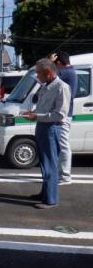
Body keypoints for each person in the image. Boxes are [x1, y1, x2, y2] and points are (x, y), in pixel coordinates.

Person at [23, 58, 71, 209]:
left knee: (50, 164)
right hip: (43, 126)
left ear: (49, 73)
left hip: (52, 128)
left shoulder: (61, 87)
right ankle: (45, 193)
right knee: (44, 163)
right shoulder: (46, 86)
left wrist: (37, 116)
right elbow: (42, 108)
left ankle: (51, 199)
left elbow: (60, 114)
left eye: (39, 73)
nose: (37, 76)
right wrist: (33, 113)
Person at [49, 51, 77, 185]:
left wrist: (49, 62)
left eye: (56, 64)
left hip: (63, 114)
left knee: (63, 144)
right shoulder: (70, 72)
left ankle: (65, 176)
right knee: (61, 144)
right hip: (64, 113)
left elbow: (48, 76)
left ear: (59, 63)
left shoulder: (66, 73)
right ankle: (61, 174)